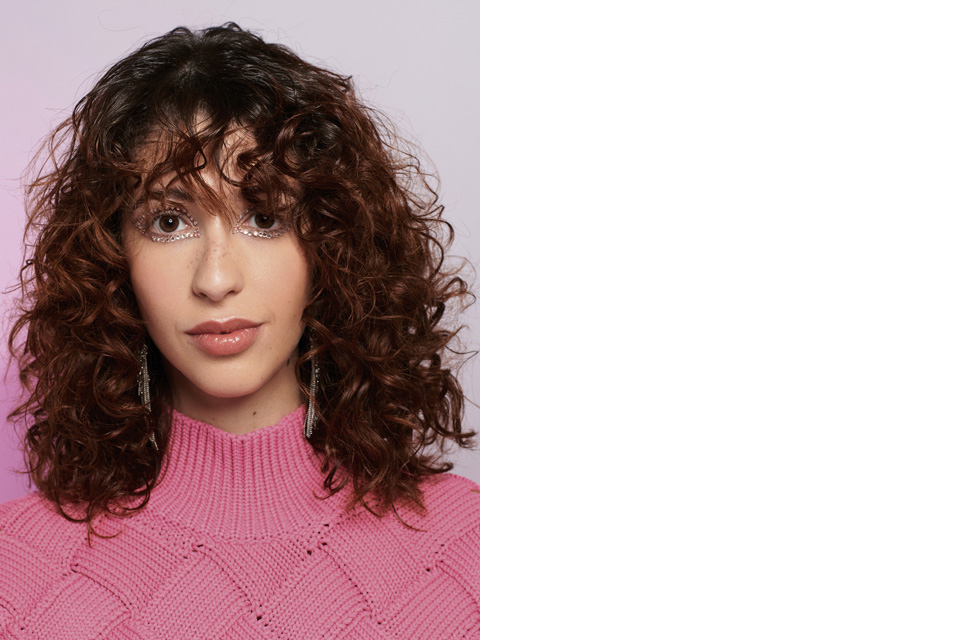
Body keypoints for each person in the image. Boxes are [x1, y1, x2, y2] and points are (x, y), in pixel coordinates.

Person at [0, 23, 478, 638]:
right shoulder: (17, 571)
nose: (216, 278)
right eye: (169, 223)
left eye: (265, 216)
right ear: (113, 259)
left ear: (334, 247)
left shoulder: (475, 552)